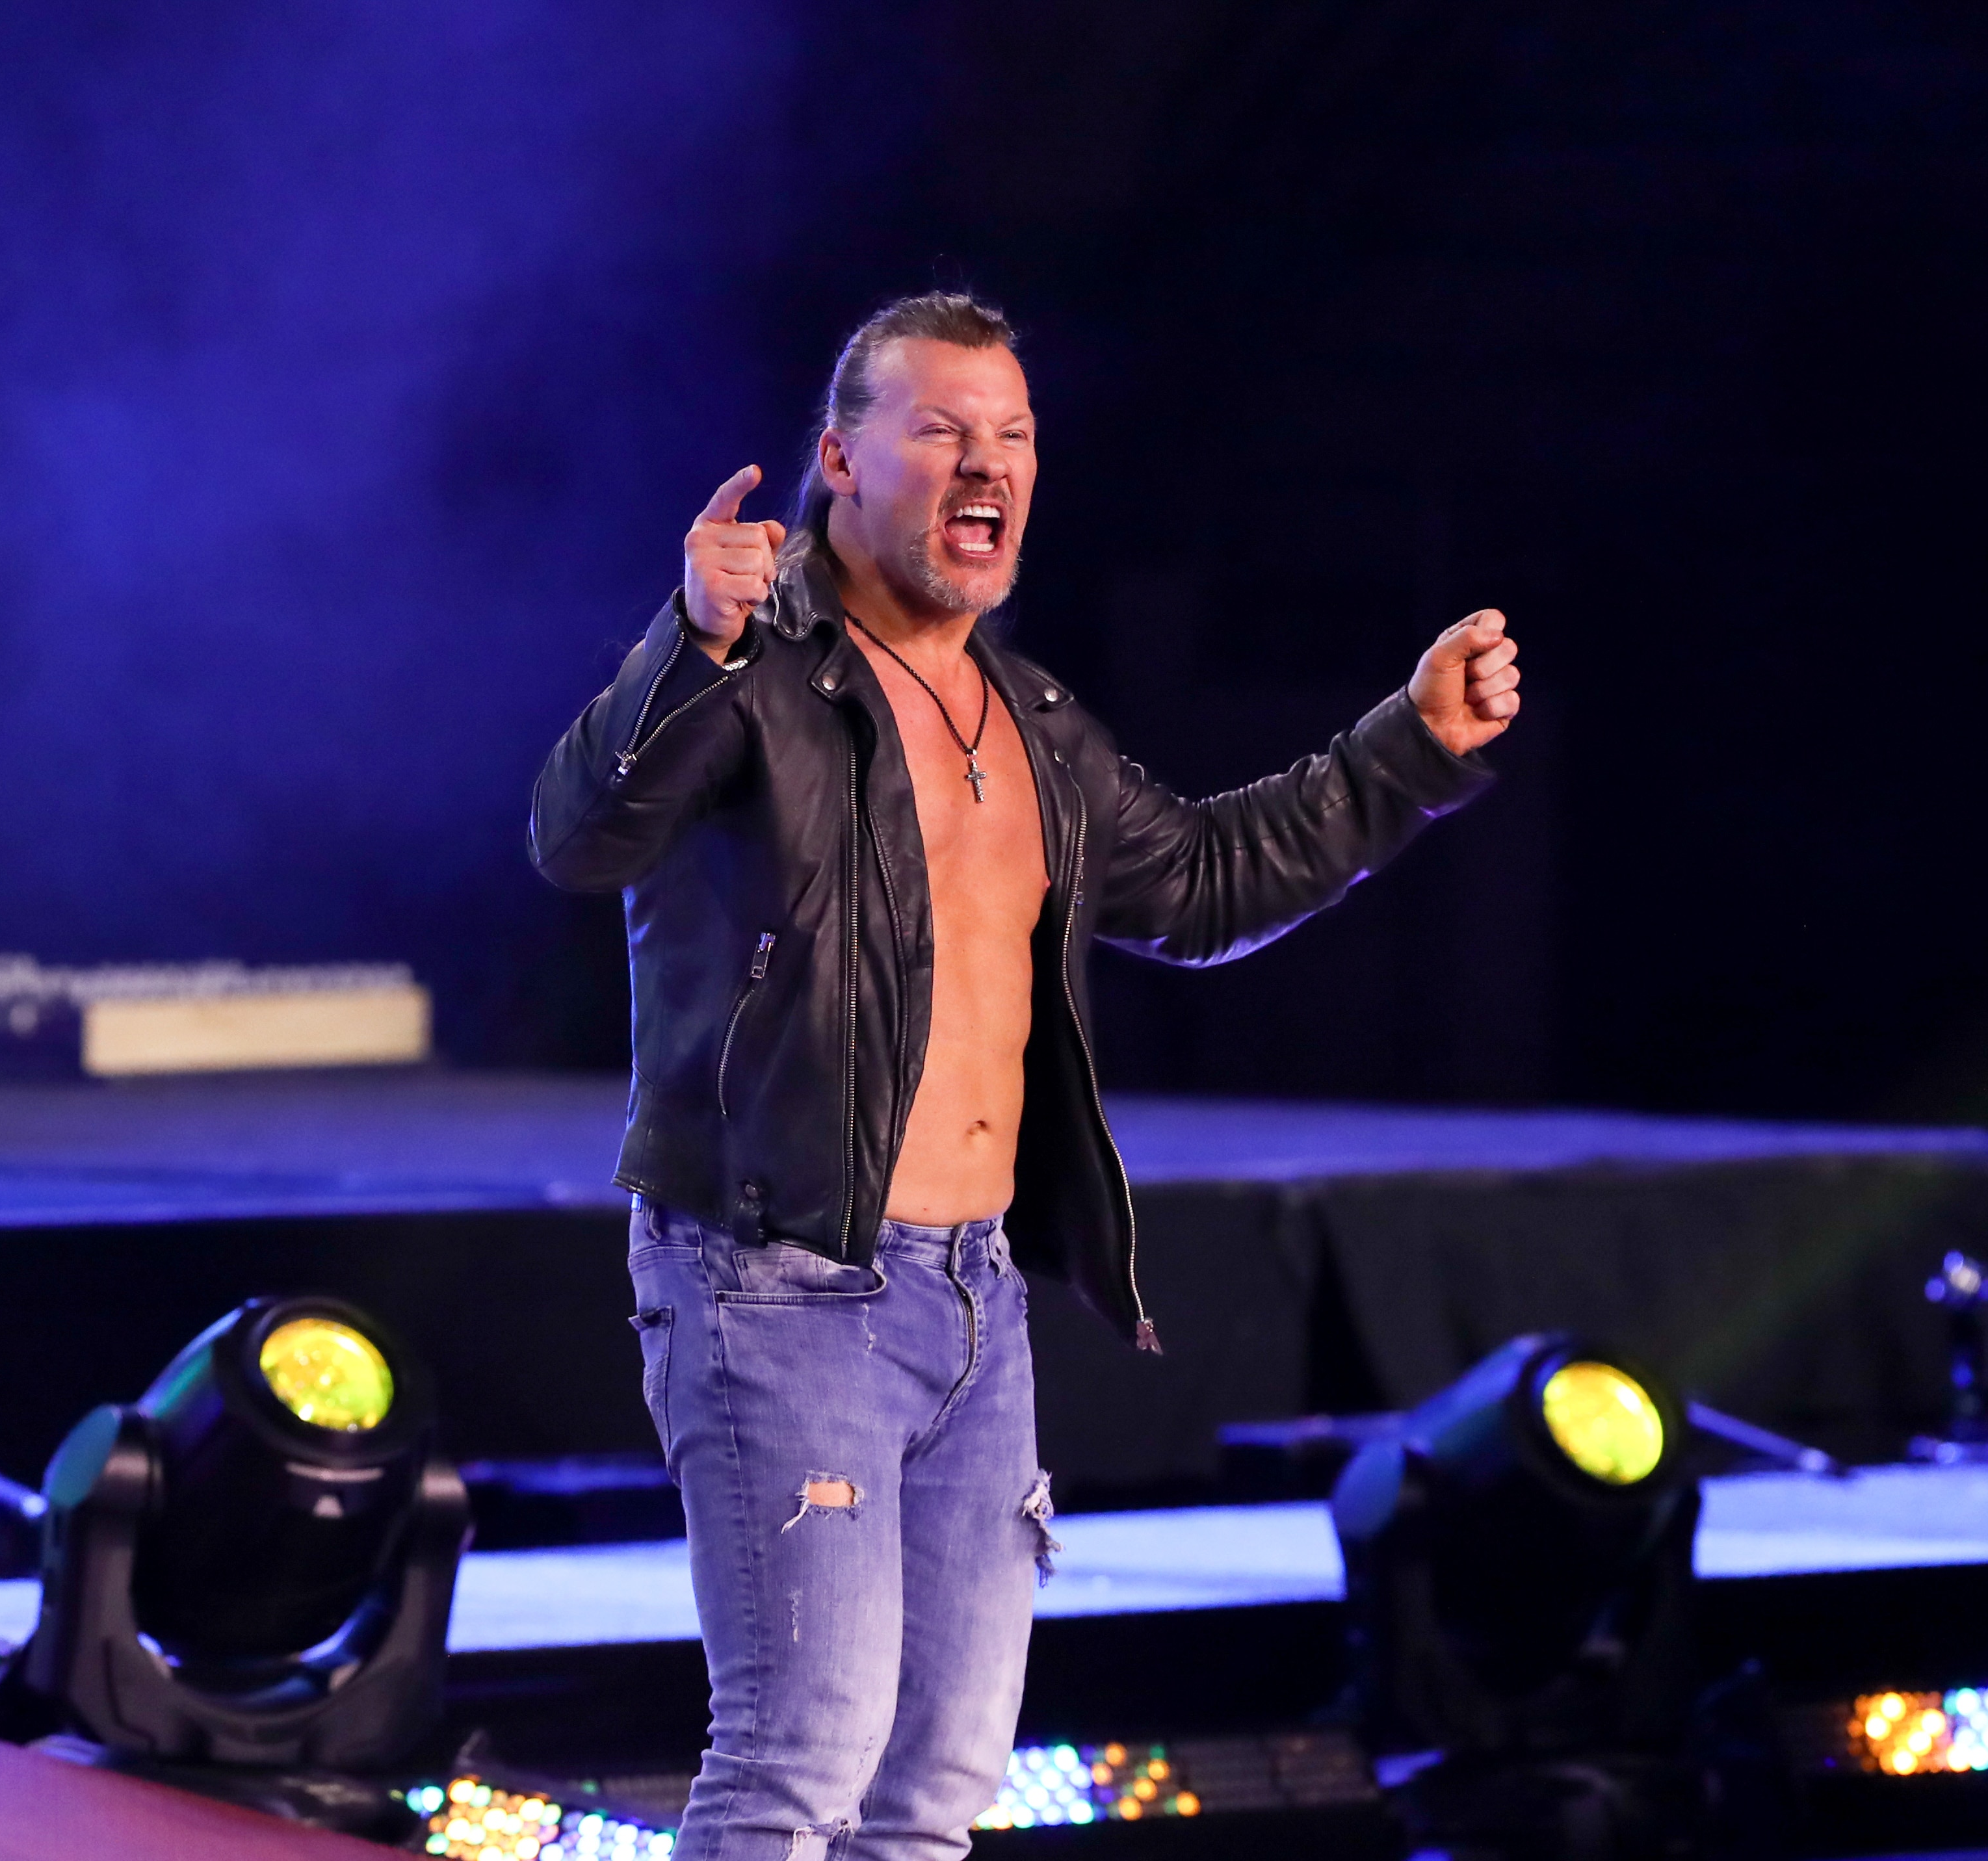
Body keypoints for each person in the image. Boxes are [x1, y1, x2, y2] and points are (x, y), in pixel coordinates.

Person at [529, 292, 1519, 1860]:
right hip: (779, 1282)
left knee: (936, 1791)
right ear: (841, 461)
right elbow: (576, 835)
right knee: (801, 1754)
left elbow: (1202, 884)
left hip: (976, 1298)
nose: (984, 462)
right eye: (940, 429)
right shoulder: (755, 676)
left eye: (1013, 435)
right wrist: (690, 643)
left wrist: (1405, 746)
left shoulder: (1035, 722)